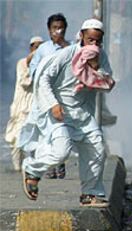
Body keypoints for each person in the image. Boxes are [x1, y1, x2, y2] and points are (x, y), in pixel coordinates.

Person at [20, 19, 114, 206]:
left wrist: (95, 68)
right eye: (90, 40)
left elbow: (107, 83)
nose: (93, 45)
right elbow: (44, 78)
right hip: (60, 112)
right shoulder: (66, 54)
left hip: (83, 114)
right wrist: (53, 104)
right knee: (61, 151)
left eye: (97, 41)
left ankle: (90, 193)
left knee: (96, 148)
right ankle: (32, 169)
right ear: (81, 36)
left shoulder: (100, 56)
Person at [29, 13, 70, 179]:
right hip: (45, 97)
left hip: (63, 97)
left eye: (60, 28)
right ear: (49, 30)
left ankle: (59, 163)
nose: (57, 31)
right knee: (45, 132)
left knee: (61, 131)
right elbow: (34, 70)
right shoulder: (43, 50)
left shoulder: (70, 48)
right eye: (54, 28)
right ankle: (50, 165)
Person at [5, 36, 44, 171]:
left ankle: (32, 167)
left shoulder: (44, 64)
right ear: (31, 48)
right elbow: (25, 81)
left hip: (37, 106)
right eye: (36, 47)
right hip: (22, 107)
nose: (38, 50)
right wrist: (31, 61)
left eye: (41, 47)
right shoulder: (22, 63)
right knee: (17, 137)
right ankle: (17, 166)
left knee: (37, 138)